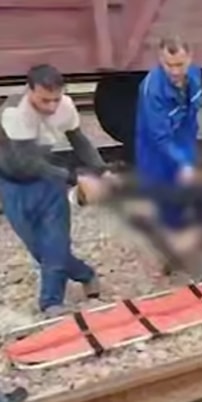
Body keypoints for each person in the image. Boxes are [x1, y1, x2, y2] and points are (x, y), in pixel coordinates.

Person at [0, 64, 109, 317]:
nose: (51, 107)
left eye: (56, 100)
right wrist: (75, 178)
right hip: (14, 183)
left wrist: (101, 170)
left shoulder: (65, 106)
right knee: (39, 249)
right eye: (44, 100)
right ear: (29, 90)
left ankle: (51, 303)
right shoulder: (15, 112)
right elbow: (28, 163)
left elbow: (79, 141)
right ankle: (85, 274)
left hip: (49, 181)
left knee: (55, 242)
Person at [135, 35, 202, 229]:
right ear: (160, 58)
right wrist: (182, 163)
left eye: (180, 65)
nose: (175, 71)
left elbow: (191, 119)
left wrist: (189, 159)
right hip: (155, 150)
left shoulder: (195, 76)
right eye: (168, 65)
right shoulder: (152, 89)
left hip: (182, 139)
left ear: (190, 57)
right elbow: (159, 136)